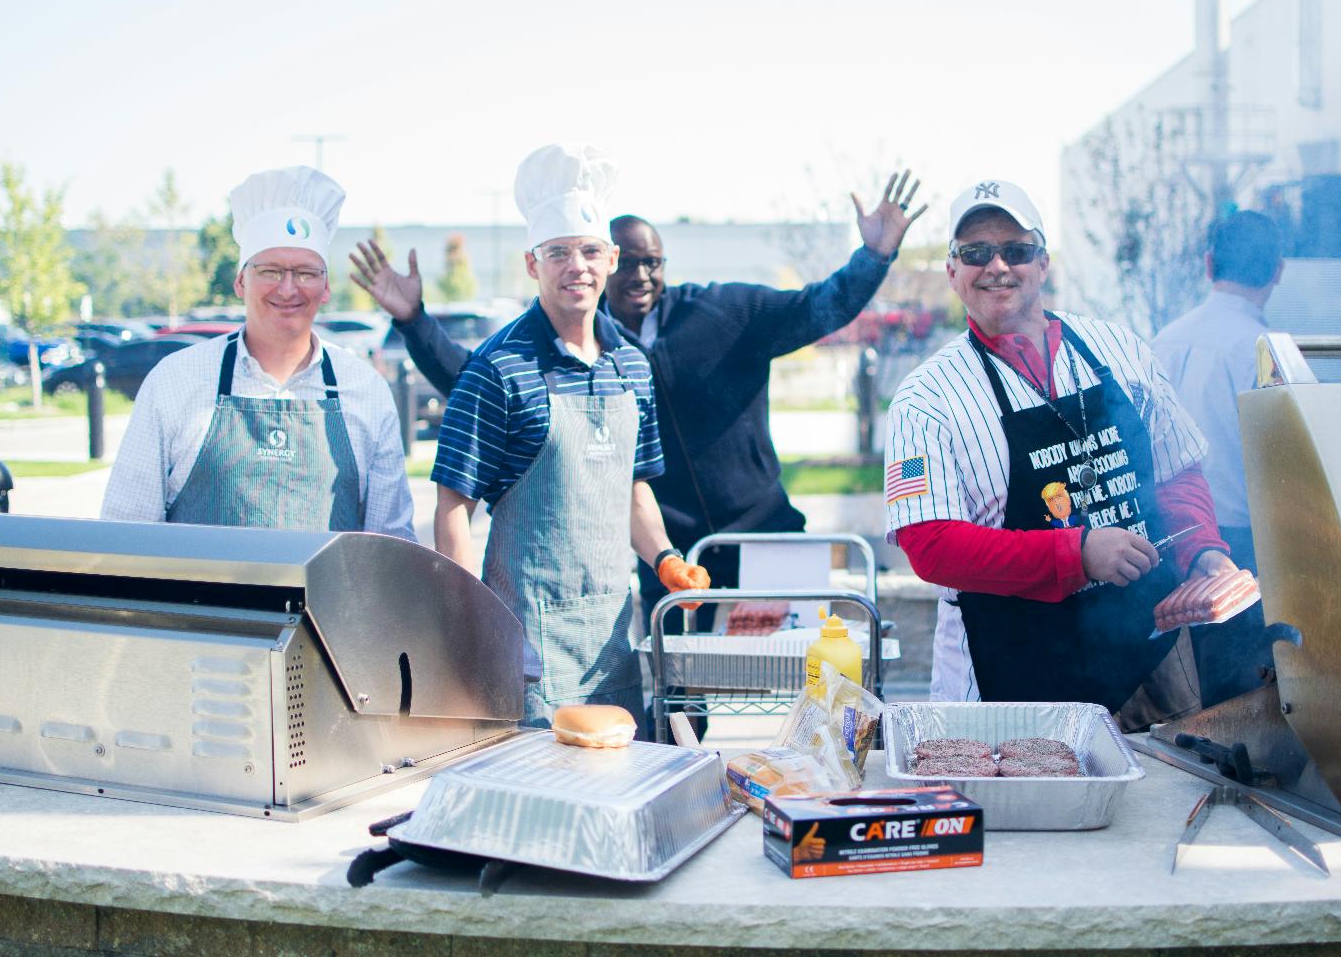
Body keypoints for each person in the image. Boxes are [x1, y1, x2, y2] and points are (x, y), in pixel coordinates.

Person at [354, 171, 926, 639]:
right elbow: (480, 382)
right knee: (681, 696)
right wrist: (414, 323)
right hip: (665, 550)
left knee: (806, 676)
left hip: (765, 536)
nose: (640, 274)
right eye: (626, 260)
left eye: (652, 261)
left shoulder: (725, 313)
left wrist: (873, 256)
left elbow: (818, 307)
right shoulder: (578, 352)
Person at [885, 179, 1234, 731]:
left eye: (1016, 250)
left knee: (1167, 799)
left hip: (1152, 652)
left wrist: (1202, 552)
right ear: (953, 273)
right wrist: (1077, 554)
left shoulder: (1119, 349)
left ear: (1043, 262)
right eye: (975, 253)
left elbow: (1175, 471)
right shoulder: (927, 398)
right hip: (1012, 671)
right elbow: (930, 546)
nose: (997, 265)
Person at [415, 142, 709, 727]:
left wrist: (666, 559)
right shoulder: (497, 369)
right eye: (557, 253)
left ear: (610, 259)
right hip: (523, 650)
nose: (576, 266)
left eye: (589, 251)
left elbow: (631, 488)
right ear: (532, 264)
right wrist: (472, 622)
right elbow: (453, 504)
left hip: (609, 647)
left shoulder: (632, 364)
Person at [101, 166, 414, 540]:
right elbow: (126, 532)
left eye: (305, 273)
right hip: (202, 600)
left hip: (327, 602)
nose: (287, 289)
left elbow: (390, 545)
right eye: (270, 270)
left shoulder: (365, 390)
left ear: (326, 287)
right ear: (239, 281)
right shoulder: (175, 382)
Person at [1152, 210, 1283, 705]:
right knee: (1239, 696)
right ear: (1278, 271)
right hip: (1239, 549)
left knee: (1182, 693)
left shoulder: (1162, 340)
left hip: (1166, 539)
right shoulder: (1267, 349)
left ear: (1208, 264)